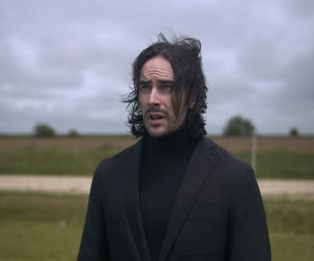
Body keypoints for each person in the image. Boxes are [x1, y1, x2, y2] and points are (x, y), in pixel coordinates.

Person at [77, 34, 271, 261]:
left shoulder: (235, 178)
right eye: (145, 87)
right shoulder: (108, 174)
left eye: (166, 87)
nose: (153, 99)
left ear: (192, 97)